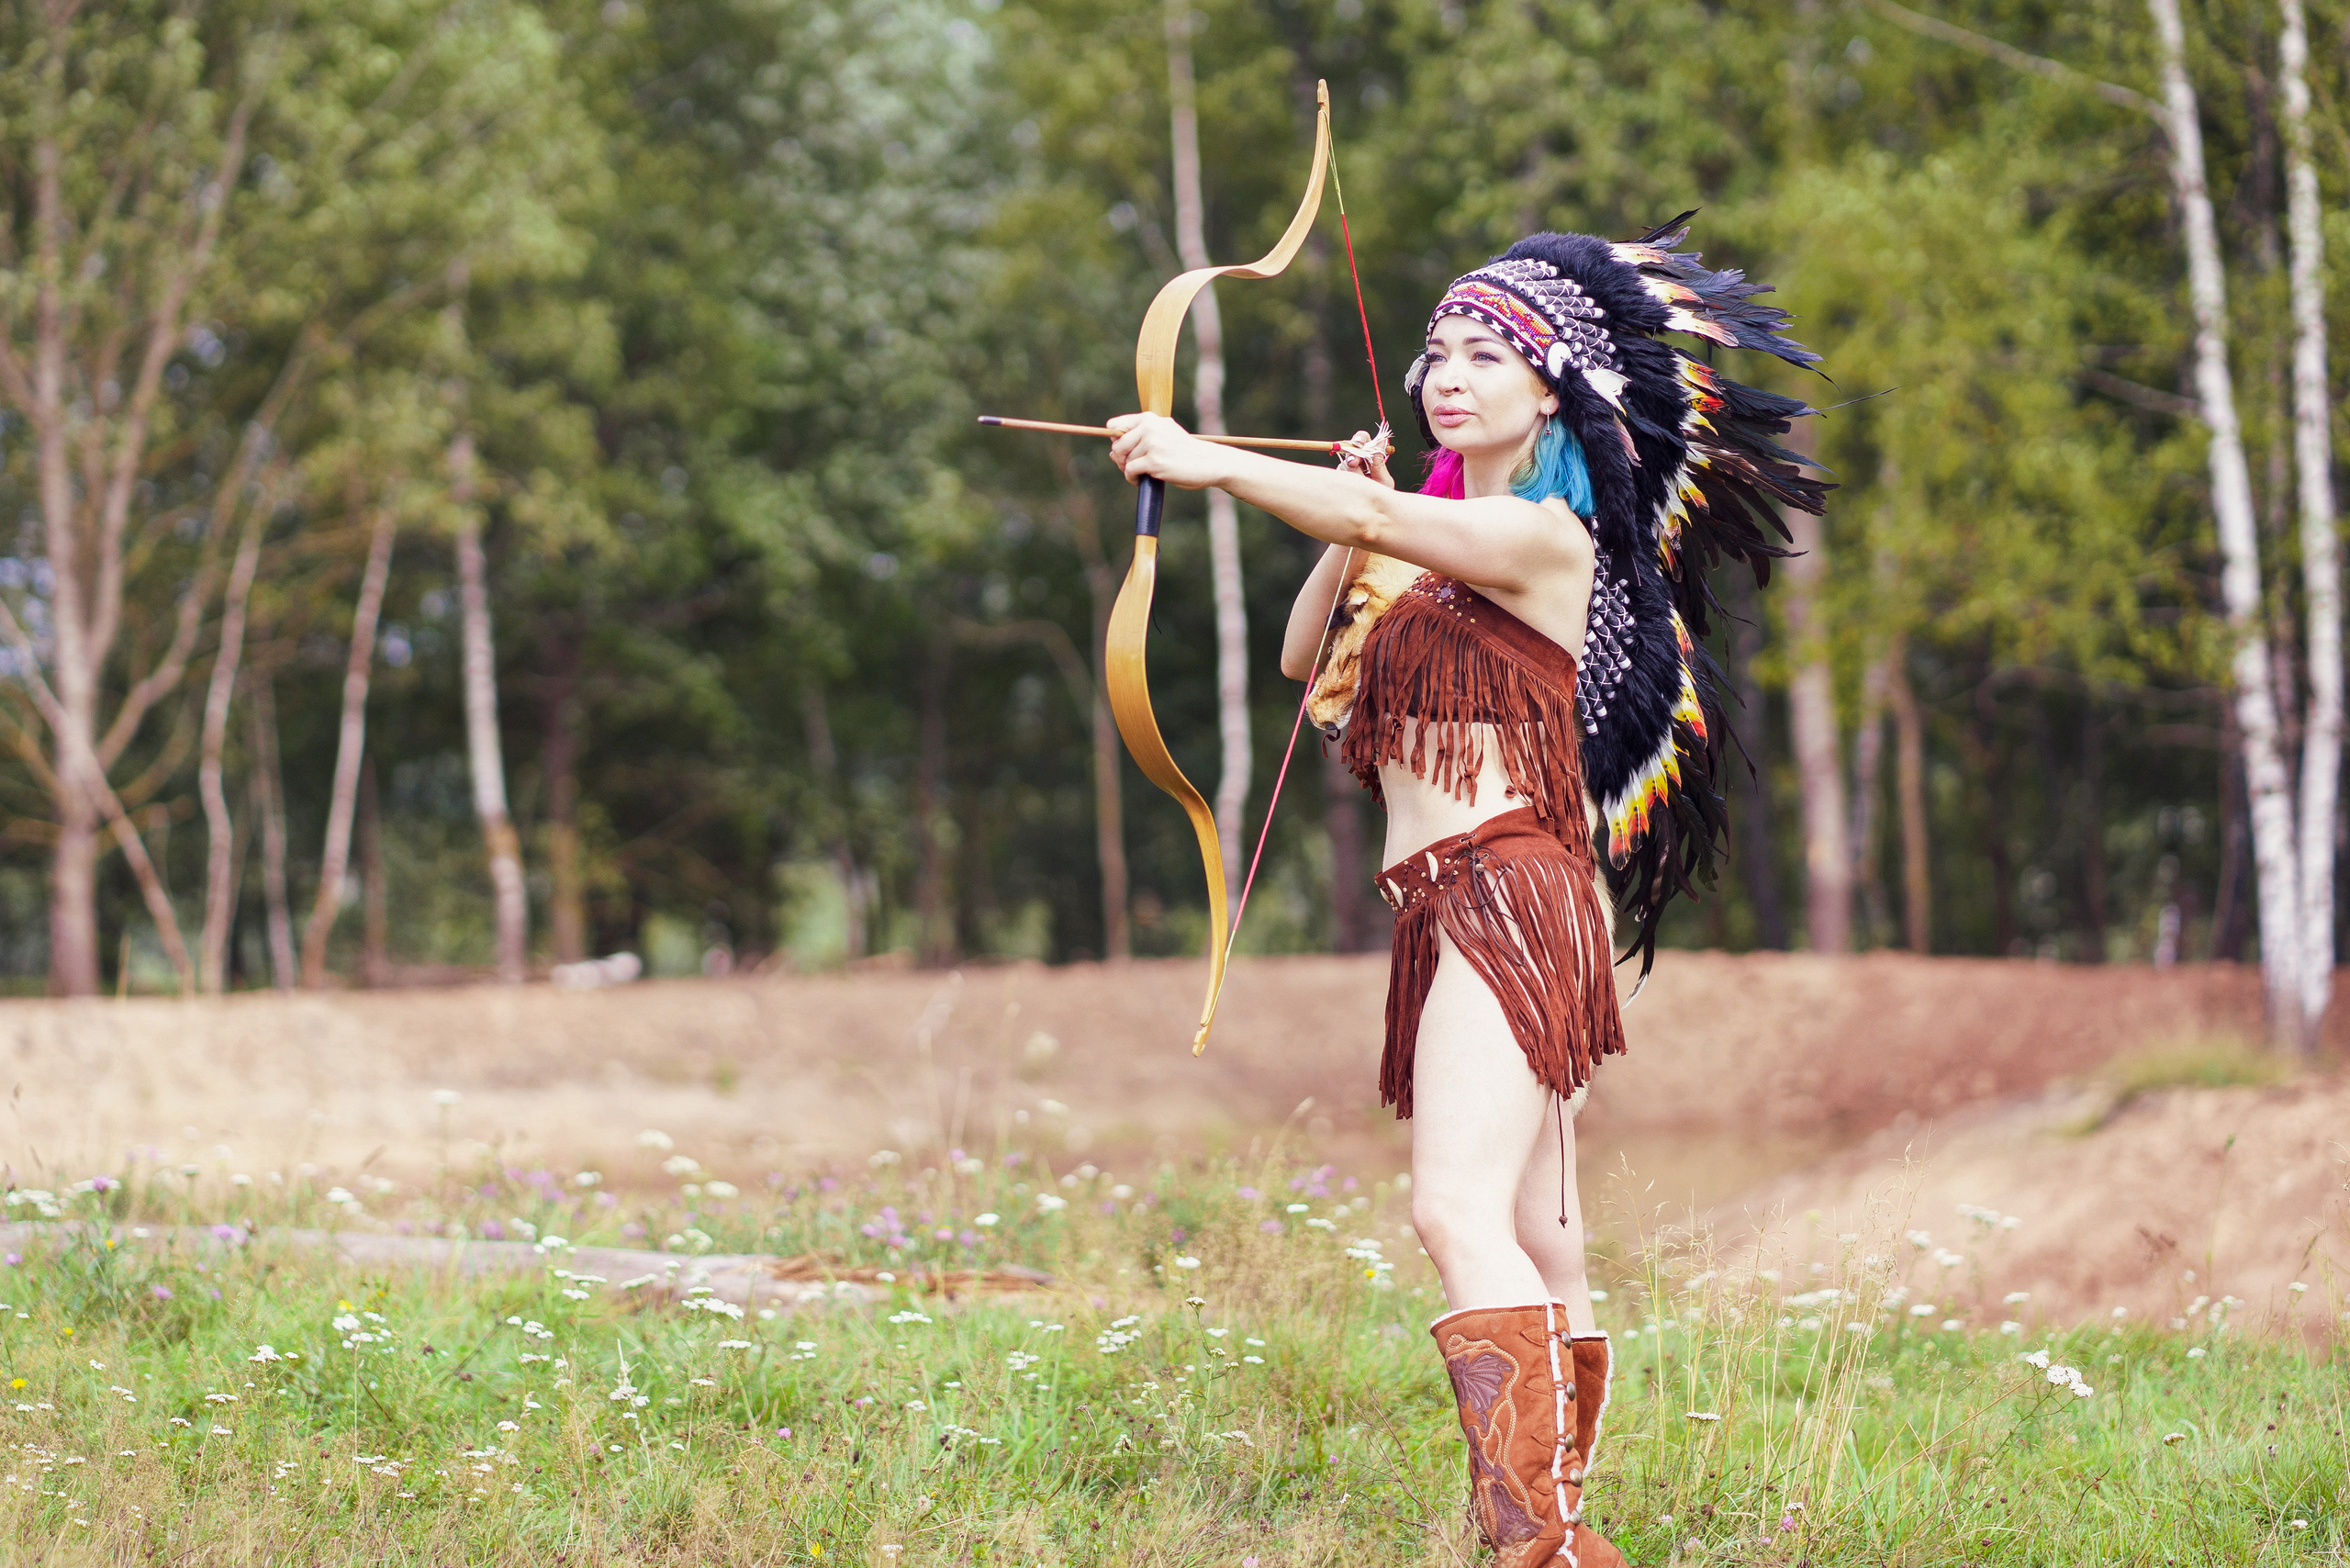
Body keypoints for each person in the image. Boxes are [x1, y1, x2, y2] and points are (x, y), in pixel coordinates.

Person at [1109, 218, 1826, 1568]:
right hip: (1467, 902)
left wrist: (1211, 463)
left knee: (1454, 1210)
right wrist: (1341, 524)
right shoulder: (1435, 541)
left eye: (1486, 351)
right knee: (1543, 1228)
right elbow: (1302, 652)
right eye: (1439, 349)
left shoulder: (1545, 533)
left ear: (1547, 384)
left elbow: (1387, 517)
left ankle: (1538, 1548)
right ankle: (1561, 1529)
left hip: (1506, 886)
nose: (1449, 371)